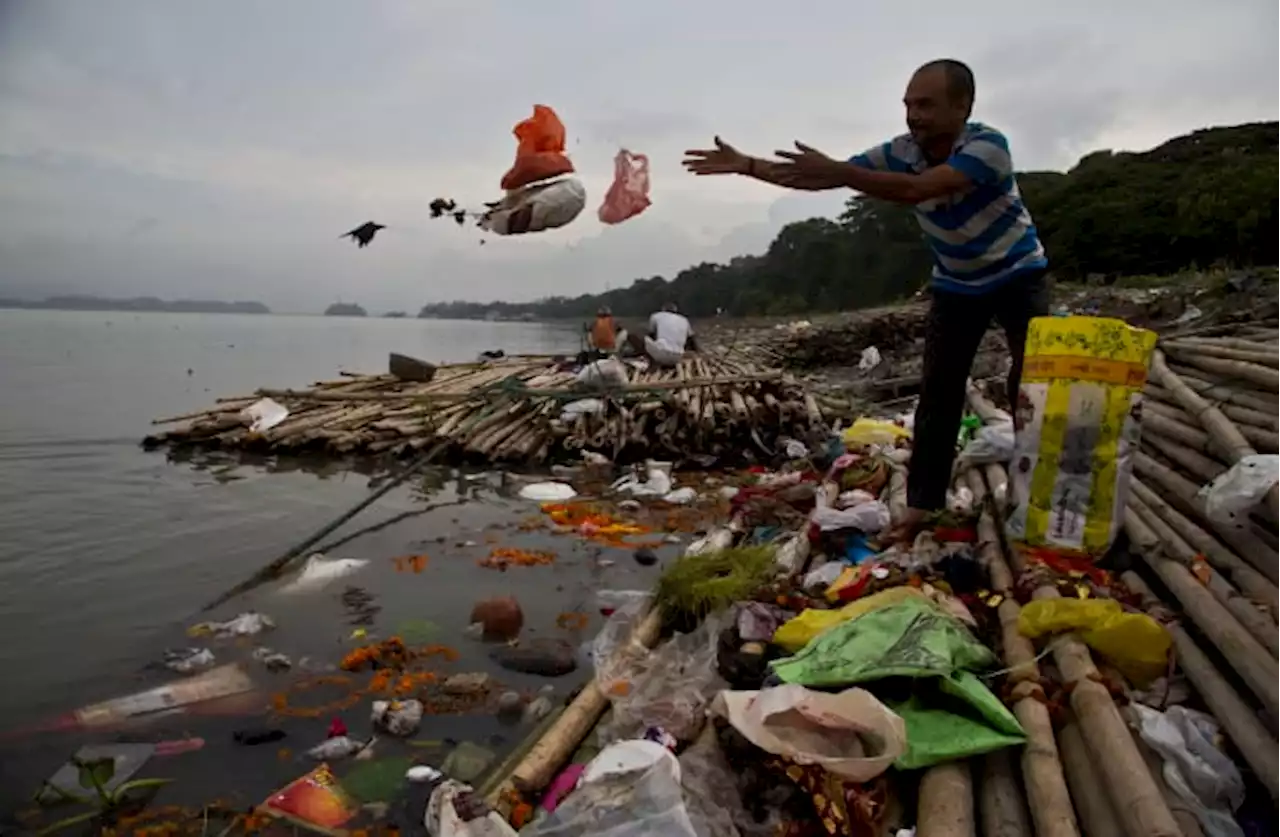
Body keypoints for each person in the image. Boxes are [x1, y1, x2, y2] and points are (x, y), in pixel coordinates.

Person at [683, 58, 1049, 539]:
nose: (913, 115)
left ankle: (1040, 500)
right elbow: (819, 177)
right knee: (938, 394)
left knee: (1034, 390)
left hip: (1018, 273)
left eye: (926, 105)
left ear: (963, 106)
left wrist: (839, 171)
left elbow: (916, 189)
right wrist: (748, 166)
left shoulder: (986, 147)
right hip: (957, 284)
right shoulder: (902, 151)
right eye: (908, 105)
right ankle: (922, 506)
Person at [626, 302, 699, 367]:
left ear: (663, 310)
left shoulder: (656, 316)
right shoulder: (684, 319)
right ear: (675, 311)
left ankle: (648, 360)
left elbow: (651, 334)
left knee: (633, 335)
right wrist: (697, 352)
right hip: (678, 357)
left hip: (660, 355)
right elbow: (691, 339)